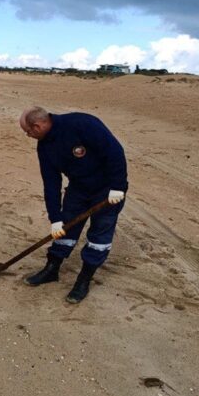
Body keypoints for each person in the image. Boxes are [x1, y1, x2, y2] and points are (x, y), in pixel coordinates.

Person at [19, 106, 127, 303]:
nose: (28, 135)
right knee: (65, 230)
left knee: (99, 237)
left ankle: (84, 280)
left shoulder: (82, 124)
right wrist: (55, 218)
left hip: (107, 190)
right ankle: (51, 269)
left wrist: (118, 186)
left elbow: (114, 152)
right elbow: (51, 182)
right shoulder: (44, 146)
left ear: (37, 126)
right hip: (78, 189)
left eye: (28, 132)